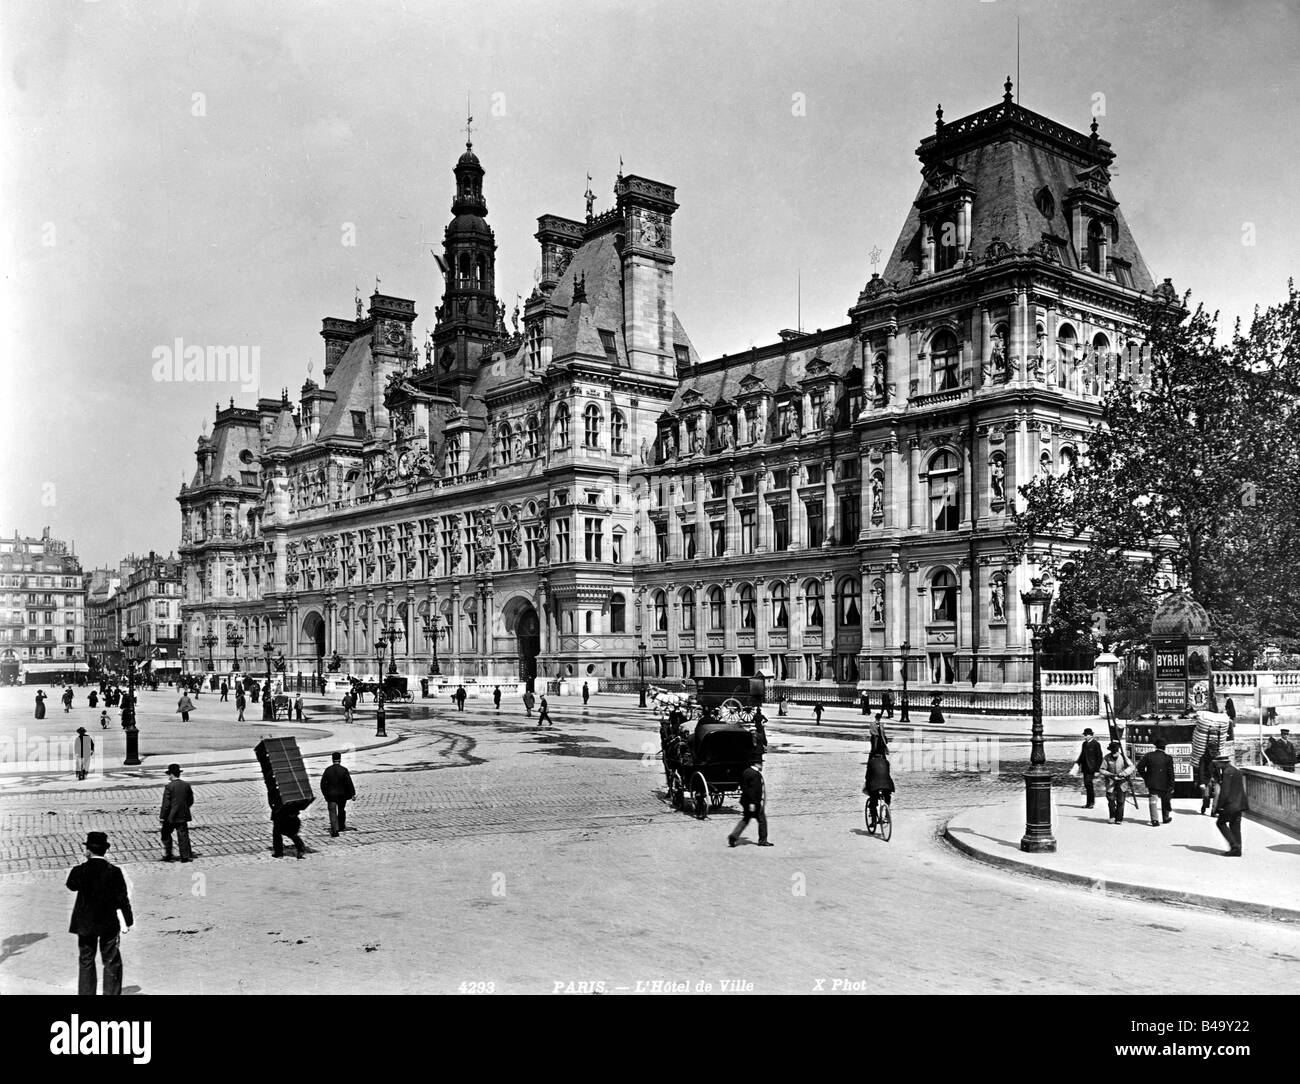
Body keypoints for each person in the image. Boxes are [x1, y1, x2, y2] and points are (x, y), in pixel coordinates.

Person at [66, 831, 133, 996]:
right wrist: (128, 920)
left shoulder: (80, 870)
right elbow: (122, 899)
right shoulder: (114, 871)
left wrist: (85, 863)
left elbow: (71, 885)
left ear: (88, 851)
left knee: (86, 959)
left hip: (85, 923)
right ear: (105, 850)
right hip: (108, 922)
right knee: (111, 960)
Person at [727, 759, 771, 847]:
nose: (762, 765)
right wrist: (753, 803)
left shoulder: (746, 771)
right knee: (762, 820)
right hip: (753, 802)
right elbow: (752, 790)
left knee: (746, 819)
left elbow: (744, 787)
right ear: (757, 764)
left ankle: (733, 836)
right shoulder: (755, 774)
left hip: (745, 801)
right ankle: (763, 840)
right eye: (761, 764)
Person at [1211, 753, 1249, 856]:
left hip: (1230, 804)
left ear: (1222, 763)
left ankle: (1234, 845)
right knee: (1235, 826)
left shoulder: (1227, 772)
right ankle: (1238, 849)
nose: (1217, 765)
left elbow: (1225, 792)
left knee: (1221, 823)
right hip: (1239, 803)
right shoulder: (1236, 771)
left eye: (1217, 763)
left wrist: (1218, 807)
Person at [159, 763, 195, 862]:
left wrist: (162, 817)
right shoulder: (186, 785)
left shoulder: (169, 787)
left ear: (171, 774)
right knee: (183, 834)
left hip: (171, 816)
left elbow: (166, 804)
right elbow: (190, 800)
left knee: (165, 833)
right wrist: (184, 807)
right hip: (183, 814)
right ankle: (185, 856)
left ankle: (168, 854)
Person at [1136, 737, 1175, 826]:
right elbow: (1171, 773)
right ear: (1164, 747)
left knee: (1153, 800)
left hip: (1152, 782)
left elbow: (1140, 767)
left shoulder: (1148, 756)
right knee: (1165, 800)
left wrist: (1146, 777)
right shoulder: (1168, 758)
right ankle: (1165, 818)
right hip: (1165, 783)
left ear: (1155, 746)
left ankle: (1154, 820)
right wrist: (1172, 785)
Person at [320, 752, 356, 837]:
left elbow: (322, 784)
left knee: (332, 812)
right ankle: (341, 826)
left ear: (332, 759)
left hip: (331, 796)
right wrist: (352, 794)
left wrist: (326, 794)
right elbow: (349, 783)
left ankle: (335, 830)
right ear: (340, 759)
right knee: (341, 810)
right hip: (342, 795)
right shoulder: (344, 770)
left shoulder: (328, 770)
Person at [1099, 741, 1135, 824]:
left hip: (1122, 782)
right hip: (1110, 781)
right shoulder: (1107, 757)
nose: (1114, 753)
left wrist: (1124, 773)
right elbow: (1101, 769)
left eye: (1115, 751)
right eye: (1112, 751)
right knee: (1111, 799)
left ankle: (1119, 818)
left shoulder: (1123, 757)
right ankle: (1112, 816)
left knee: (1121, 800)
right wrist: (1110, 774)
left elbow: (1132, 767)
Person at [863, 746, 895, 830]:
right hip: (887, 784)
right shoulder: (886, 762)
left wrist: (867, 786)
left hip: (875, 785)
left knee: (873, 801)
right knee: (887, 797)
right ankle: (887, 814)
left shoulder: (871, 762)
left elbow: (867, 776)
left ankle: (873, 820)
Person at [1075, 727, 1104, 809]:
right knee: (1087, 785)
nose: (1085, 737)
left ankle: (1091, 802)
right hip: (1085, 768)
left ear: (1091, 735)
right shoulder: (1084, 744)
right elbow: (1082, 755)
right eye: (1085, 735)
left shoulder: (1096, 744)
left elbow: (1099, 757)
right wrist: (1077, 763)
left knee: (1088, 784)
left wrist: (1097, 770)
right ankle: (1088, 803)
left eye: (1087, 735)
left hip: (1092, 768)